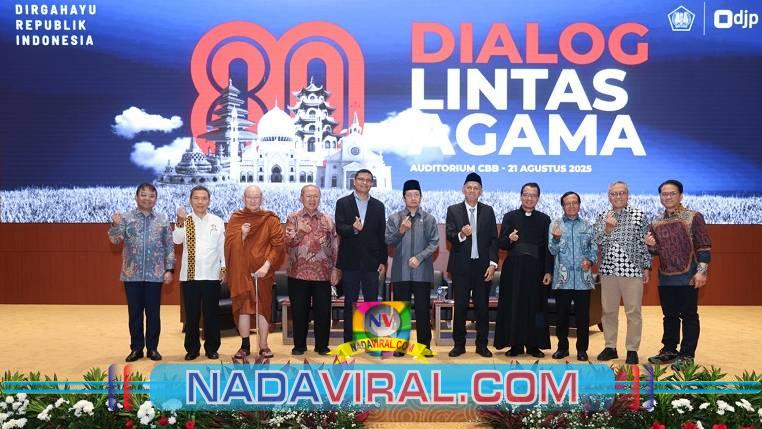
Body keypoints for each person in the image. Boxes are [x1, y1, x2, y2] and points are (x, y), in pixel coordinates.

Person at [645, 179, 711, 370]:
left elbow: (704, 246)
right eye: (664, 194)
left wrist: (701, 272)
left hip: (688, 276)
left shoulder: (694, 217)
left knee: (689, 316)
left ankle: (687, 355)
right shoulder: (656, 222)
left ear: (680, 196)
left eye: (672, 193)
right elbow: (656, 251)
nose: (668, 197)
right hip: (665, 277)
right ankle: (669, 350)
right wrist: (650, 246)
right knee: (669, 316)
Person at [108, 183, 174, 362]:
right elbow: (115, 240)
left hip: (155, 274)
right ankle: (136, 348)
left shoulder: (162, 219)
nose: (147, 198)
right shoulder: (126, 218)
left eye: (151, 196)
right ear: (136, 197)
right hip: (132, 274)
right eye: (143, 195)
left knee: (153, 314)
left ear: (156, 199)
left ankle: (152, 348)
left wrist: (169, 269)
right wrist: (115, 225)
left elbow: (169, 246)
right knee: (135, 314)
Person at [594, 181, 652, 365]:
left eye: (621, 193)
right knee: (608, 311)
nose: (618, 197)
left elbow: (644, 243)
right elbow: (597, 241)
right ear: (609, 196)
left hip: (632, 269)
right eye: (614, 193)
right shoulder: (603, 216)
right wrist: (607, 230)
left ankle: (632, 349)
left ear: (628, 195)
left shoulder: (639, 215)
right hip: (608, 270)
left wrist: (646, 266)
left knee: (633, 312)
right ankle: (610, 347)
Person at [225, 185, 285, 362]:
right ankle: (245, 345)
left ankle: (264, 345)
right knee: (243, 308)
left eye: (256, 197)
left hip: (263, 272)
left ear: (261, 199)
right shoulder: (236, 218)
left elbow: (278, 245)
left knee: (263, 308)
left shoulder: (270, 219)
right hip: (241, 272)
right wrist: (241, 236)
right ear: (244, 198)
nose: (253, 200)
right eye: (249, 197)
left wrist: (267, 266)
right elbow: (228, 245)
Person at [494, 182, 553, 358]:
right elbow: (501, 244)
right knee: (514, 306)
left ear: (538, 198)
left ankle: (534, 345)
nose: (529, 198)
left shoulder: (544, 219)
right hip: (514, 270)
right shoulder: (510, 217)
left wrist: (548, 271)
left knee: (536, 307)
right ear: (521, 196)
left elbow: (548, 248)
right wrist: (509, 239)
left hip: (536, 270)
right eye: (526, 194)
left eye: (533, 195)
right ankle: (516, 344)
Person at [445, 172, 498, 358]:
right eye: (469, 188)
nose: (472, 191)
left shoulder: (488, 211)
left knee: (482, 308)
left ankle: (482, 345)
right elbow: (450, 235)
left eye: (476, 188)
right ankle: (459, 345)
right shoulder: (453, 210)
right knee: (460, 307)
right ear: (463, 189)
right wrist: (461, 234)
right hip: (461, 267)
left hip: (482, 268)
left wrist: (493, 264)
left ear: (481, 191)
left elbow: (493, 240)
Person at [385, 179, 439, 358]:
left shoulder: (429, 219)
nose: (413, 198)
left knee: (423, 311)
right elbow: (389, 241)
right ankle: (401, 347)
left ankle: (424, 347)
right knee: (402, 311)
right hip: (401, 272)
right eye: (409, 195)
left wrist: (419, 257)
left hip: (422, 273)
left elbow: (434, 243)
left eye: (416, 194)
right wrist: (401, 230)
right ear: (404, 198)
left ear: (421, 197)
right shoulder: (394, 218)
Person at [284, 185, 341, 356]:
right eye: (308, 196)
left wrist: (336, 269)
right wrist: (300, 233)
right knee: (299, 311)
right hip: (297, 272)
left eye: (315, 196)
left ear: (320, 198)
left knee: (323, 312)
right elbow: (287, 244)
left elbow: (335, 247)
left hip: (323, 273)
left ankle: (322, 345)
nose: (312, 199)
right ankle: (299, 345)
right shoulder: (293, 218)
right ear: (301, 198)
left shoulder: (328, 220)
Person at [173, 185, 225, 361]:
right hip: (190, 276)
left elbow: (221, 247)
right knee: (192, 315)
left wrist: (223, 267)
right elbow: (176, 240)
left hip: (212, 274)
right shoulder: (185, 220)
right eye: (196, 198)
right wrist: (179, 221)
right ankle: (192, 349)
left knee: (211, 314)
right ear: (190, 200)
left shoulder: (217, 221)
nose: (200, 202)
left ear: (209, 201)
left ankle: (212, 348)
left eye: (204, 198)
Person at [334, 169, 387, 343]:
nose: (365, 183)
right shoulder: (343, 203)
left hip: (372, 263)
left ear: (372, 183)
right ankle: (349, 342)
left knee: (372, 303)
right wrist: (353, 229)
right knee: (350, 302)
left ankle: (372, 341)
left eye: (368, 180)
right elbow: (339, 228)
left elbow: (381, 235)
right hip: (350, 262)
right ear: (354, 181)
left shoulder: (378, 206)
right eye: (361, 179)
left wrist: (383, 261)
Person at [548, 191, 597, 361]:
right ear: (562, 206)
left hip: (583, 279)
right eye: (567, 203)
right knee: (561, 316)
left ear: (579, 205)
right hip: (563, 279)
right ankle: (562, 348)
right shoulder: (555, 225)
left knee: (583, 317)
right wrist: (555, 239)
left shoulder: (588, 225)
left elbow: (594, 248)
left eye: (574, 203)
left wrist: (590, 261)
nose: (571, 206)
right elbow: (552, 250)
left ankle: (582, 350)